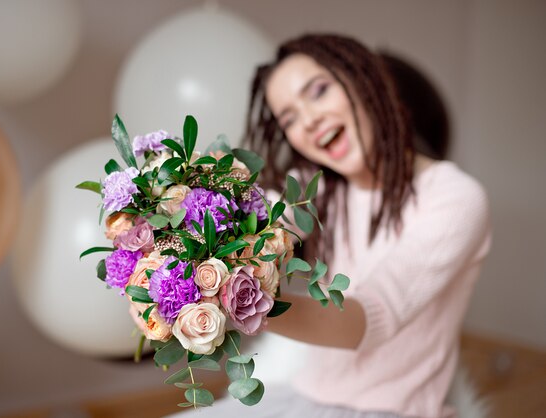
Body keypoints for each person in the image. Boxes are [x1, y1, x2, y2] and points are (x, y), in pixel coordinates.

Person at [172, 33, 491, 418]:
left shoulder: (455, 197)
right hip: (302, 397)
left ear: (366, 80)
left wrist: (242, 303)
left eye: (319, 91)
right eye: (288, 117)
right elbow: (257, 231)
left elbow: (370, 320)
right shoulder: (316, 186)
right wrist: (181, 237)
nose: (308, 120)